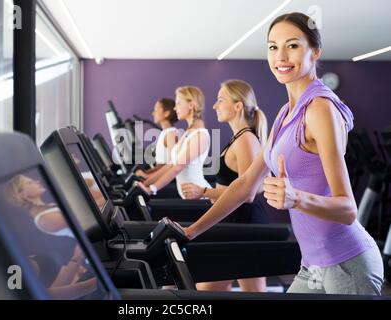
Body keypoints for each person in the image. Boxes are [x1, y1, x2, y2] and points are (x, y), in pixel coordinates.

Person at [181, 12, 384, 295]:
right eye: (273, 47)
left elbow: (348, 210)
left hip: (347, 264)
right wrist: (191, 231)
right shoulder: (285, 113)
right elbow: (244, 185)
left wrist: (296, 198)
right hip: (311, 264)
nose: (281, 56)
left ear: (314, 52)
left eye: (292, 45)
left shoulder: (320, 109)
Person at [181, 79, 269, 292]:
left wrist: (204, 191)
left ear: (238, 106)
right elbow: (235, 185)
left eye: (220, 100)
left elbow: (247, 192)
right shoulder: (238, 138)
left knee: (250, 291)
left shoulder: (246, 140)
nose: (214, 106)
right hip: (234, 220)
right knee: (212, 288)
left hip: (244, 223)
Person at [138, 86, 212, 199]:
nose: (175, 108)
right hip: (187, 197)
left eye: (178, 103)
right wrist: (146, 182)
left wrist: (151, 189)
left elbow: (177, 167)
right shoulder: (189, 132)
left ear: (191, 105)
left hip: (199, 198)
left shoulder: (199, 135)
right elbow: (171, 164)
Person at [5, 174, 74, 238]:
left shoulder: (48, 206)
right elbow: (78, 221)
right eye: (30, 182)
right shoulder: (44, 219)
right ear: (22, 194)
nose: (37, 181)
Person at [136, 98, 179, 179]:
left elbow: (172, 165)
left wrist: (147, 176)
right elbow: (161, 166)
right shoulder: (165, 133)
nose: (153, 113)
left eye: (156, 110)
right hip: (162, 175)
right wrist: (145, 173)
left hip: (168, 180)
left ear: (166, 113)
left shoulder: (171, 134)